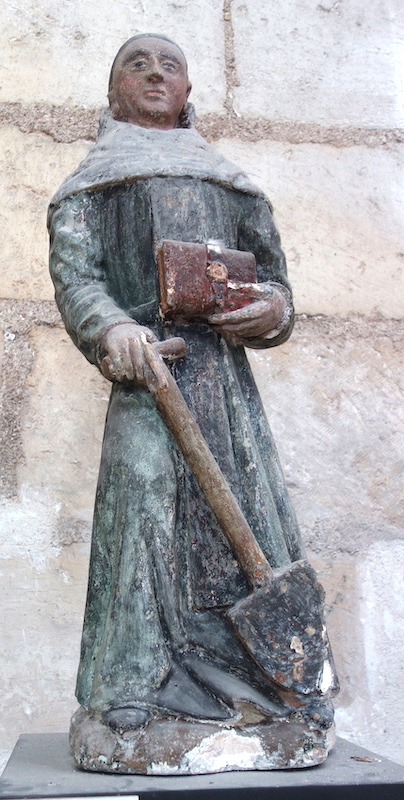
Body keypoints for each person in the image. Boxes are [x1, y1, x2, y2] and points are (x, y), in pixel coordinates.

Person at [48, 34, 336, 772]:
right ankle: (131, 686)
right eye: (134, 64)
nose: (152, 72)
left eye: (167, 64)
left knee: (240, 524)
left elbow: (275, 280)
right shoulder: (91, 184)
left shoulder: (231, 182)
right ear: (113, 90)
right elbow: (79, 276)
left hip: (224, 387)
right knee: (143, 506)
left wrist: (271, 309)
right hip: (150, 379)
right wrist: (113, 326)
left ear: (187, 89)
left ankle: (261, 684)